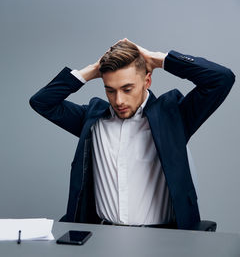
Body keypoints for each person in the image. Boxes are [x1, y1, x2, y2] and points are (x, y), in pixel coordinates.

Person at [29, 39, 235, 230]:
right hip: (103, 238)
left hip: (165, 240)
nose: (118, 100)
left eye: (127, 89)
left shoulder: (173, 117)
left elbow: (221, 78)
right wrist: (92, 70)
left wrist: (159, 60)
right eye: (110, 90)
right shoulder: (92, 119)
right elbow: (42, 102)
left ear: (147, 81)